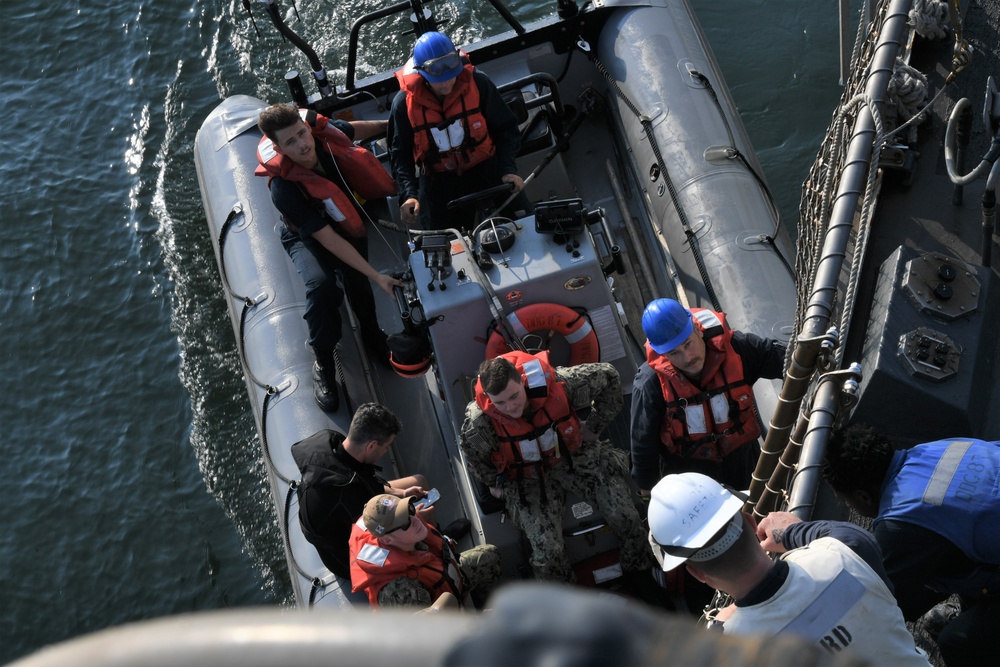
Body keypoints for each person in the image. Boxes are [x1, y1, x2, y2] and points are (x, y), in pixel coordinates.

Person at [646, 472, 929, 665]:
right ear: (749, 521)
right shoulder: (844, 550)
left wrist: (724, 624)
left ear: (697, 573)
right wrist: (792, 533)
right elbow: (846, 536)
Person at [256, 103, 403, 412]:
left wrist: (393, 122)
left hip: (344, 222)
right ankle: (322, 360)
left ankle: (372, 334)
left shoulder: (324, 136)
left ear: (306, 126)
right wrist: (378, 275)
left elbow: (355, 129)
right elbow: (331, 242)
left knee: (358, 286)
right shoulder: (284, 188)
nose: (302, 145)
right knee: (324, 287)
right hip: (307, 236)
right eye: (290, 142)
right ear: (277, 147)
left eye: (300, 133)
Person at [460, 350, 652, 584]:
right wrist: (492, 481)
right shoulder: (480, 421)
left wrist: (593, 426)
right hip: (527, 480)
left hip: (575, 458)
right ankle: (564, 599)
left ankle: (640, 574)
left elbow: (609, 376)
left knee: (627, 517)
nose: (509, 407)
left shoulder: (559, 383)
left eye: (514, 396)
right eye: (500, 402)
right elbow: (471, 452)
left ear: (522, 381)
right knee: (547, 553)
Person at [823, 424, 1000, 667]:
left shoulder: (901, 522)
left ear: (863, 496)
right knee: (949, 549)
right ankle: (976, 607)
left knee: (957, 642)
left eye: (848, 500)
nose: (851, 506)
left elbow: (882, 603)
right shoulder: (934, 449)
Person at [630, 298, 786, 494]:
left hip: (744, 463)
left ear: (697, 328)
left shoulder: (738, 350)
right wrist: (648, 492)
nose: (687, 358)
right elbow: (643, 442)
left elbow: (787, 361)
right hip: (691, 481)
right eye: (674, 353)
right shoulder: (650, 384)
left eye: (688, 344)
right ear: (663, 354)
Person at [389, 31, 529, 230]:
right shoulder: (404, 105)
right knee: (440, 244)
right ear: (422, 72)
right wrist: (409, 194)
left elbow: (506, 128)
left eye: (451, 69)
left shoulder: (480, 84)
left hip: (487, 167)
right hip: (439, 180)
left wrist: (508, 169)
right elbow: (400, 154)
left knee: (525, 221)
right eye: (437, 74)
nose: (447, 81)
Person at [290, 403, 431, 579]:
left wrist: (402, 494)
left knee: (420, 482)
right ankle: (440, 547)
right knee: (417, 520)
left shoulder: (338, 447)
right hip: (352, 555)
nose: (386, 451)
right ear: (371, 446)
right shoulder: (348, 496)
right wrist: (413, 517)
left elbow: (369, 483)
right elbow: (377, 535)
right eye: (386, 446)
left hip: (360, 509)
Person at [349, 493, 501, 608]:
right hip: (443, 617)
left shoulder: (406, 534)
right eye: (404, 523)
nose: (415, 520)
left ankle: (477, 596)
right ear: (387, 540)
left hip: (448, 577)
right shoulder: (401, 592)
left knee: (490, 557)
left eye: (409, 510)